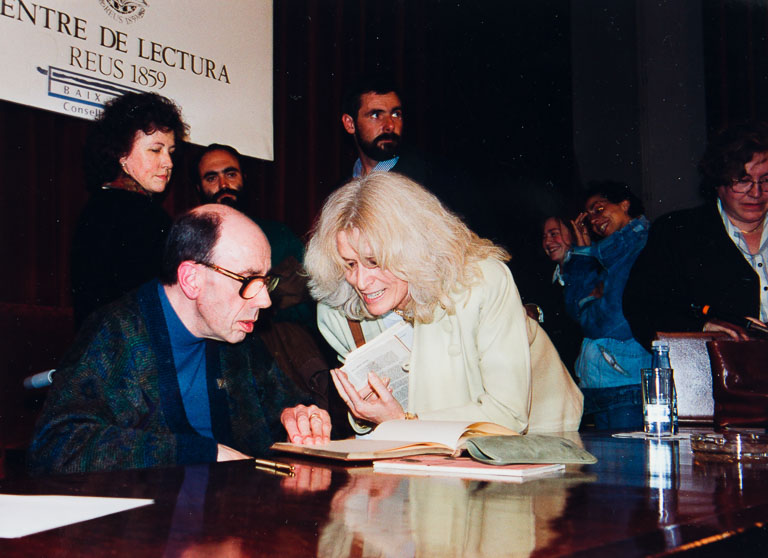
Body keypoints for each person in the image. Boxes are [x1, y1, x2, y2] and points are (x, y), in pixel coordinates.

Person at [29, 205, 330, 475]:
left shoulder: (237, 335)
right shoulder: (116, 333)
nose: (264, 300)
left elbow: (286, 406)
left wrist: (299, 415)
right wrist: (200, 453)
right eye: (249, 281)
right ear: (191, 279)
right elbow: (56, 446)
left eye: (266, 282)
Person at [304, 172, 583, 434]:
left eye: (375, 261)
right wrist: (369, 412)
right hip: (440, 446)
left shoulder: (482, 282)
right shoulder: (337, 313)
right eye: (350, 264)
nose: (362, 282)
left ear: (412, 248)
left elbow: (507, 413)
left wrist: (403, 424)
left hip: (539, 434)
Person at [624, 123, 768, 347]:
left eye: (766, 180)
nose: (757, 192)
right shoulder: (677, 233)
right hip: (714, 373)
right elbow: (642, 307)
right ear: (718, 182)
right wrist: (701, 327)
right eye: (743, 181)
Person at [71, 92, 186, 328]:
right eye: (156, 150)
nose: (168, 162)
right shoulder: (141, 214)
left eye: (171, 152)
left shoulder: (100, 206)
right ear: (121, 154)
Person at [563, 181, 650, 429]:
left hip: (627, 381)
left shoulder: (641, 245)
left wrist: (590, 301)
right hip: (601, 382)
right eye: (588, 216)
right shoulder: (608, 253)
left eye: (598, 209)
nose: (593, 220)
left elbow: (614, 318)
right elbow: (573, 309)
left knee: (633, 465)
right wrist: (581, 252)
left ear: (624, 204)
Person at [537, 216, 582, 372]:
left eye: (554, 233)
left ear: (574, 233)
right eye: (544, 237)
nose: (548, 242)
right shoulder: (548, 277)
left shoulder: (588, 272)